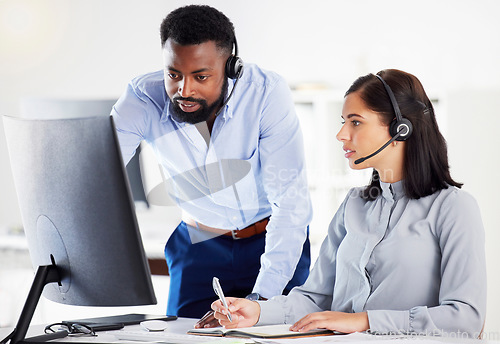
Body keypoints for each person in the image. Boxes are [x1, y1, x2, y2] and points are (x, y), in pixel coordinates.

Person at [212, 69, 487, 337]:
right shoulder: (354, 204)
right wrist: (257, 311)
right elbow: (316, 298)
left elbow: (466, 317)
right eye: (343, 121)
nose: (341, 134)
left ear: (399, 129)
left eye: (355, 122)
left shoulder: (453, 208)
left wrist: (364, 321)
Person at [111, 4, 312, 326]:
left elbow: (290, 202)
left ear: (231, 67)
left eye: (201, 77)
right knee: (183, 335)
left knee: (283, 334)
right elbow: (98, 173)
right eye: (173, 74)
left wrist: (261, 300)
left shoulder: (265, 94)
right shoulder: (142, 97)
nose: (184, 90)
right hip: (198, 247)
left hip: (271, 242)